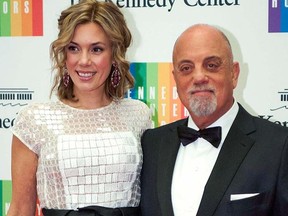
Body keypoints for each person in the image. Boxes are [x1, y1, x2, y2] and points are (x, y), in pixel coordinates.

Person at [7, 0, 152, 215]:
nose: (84, 61)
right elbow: (20, 209)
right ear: (64, 54)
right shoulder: (34, 120)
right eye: (74, 48)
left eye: (96, 49)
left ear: (114, 53)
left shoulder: (138, 114)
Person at [140, 24, 288, 216]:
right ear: (175, 79)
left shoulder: (280, 146)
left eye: (211, 65)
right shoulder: (152, 144)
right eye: (186, 68)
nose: (199, 77)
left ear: (234, 73)